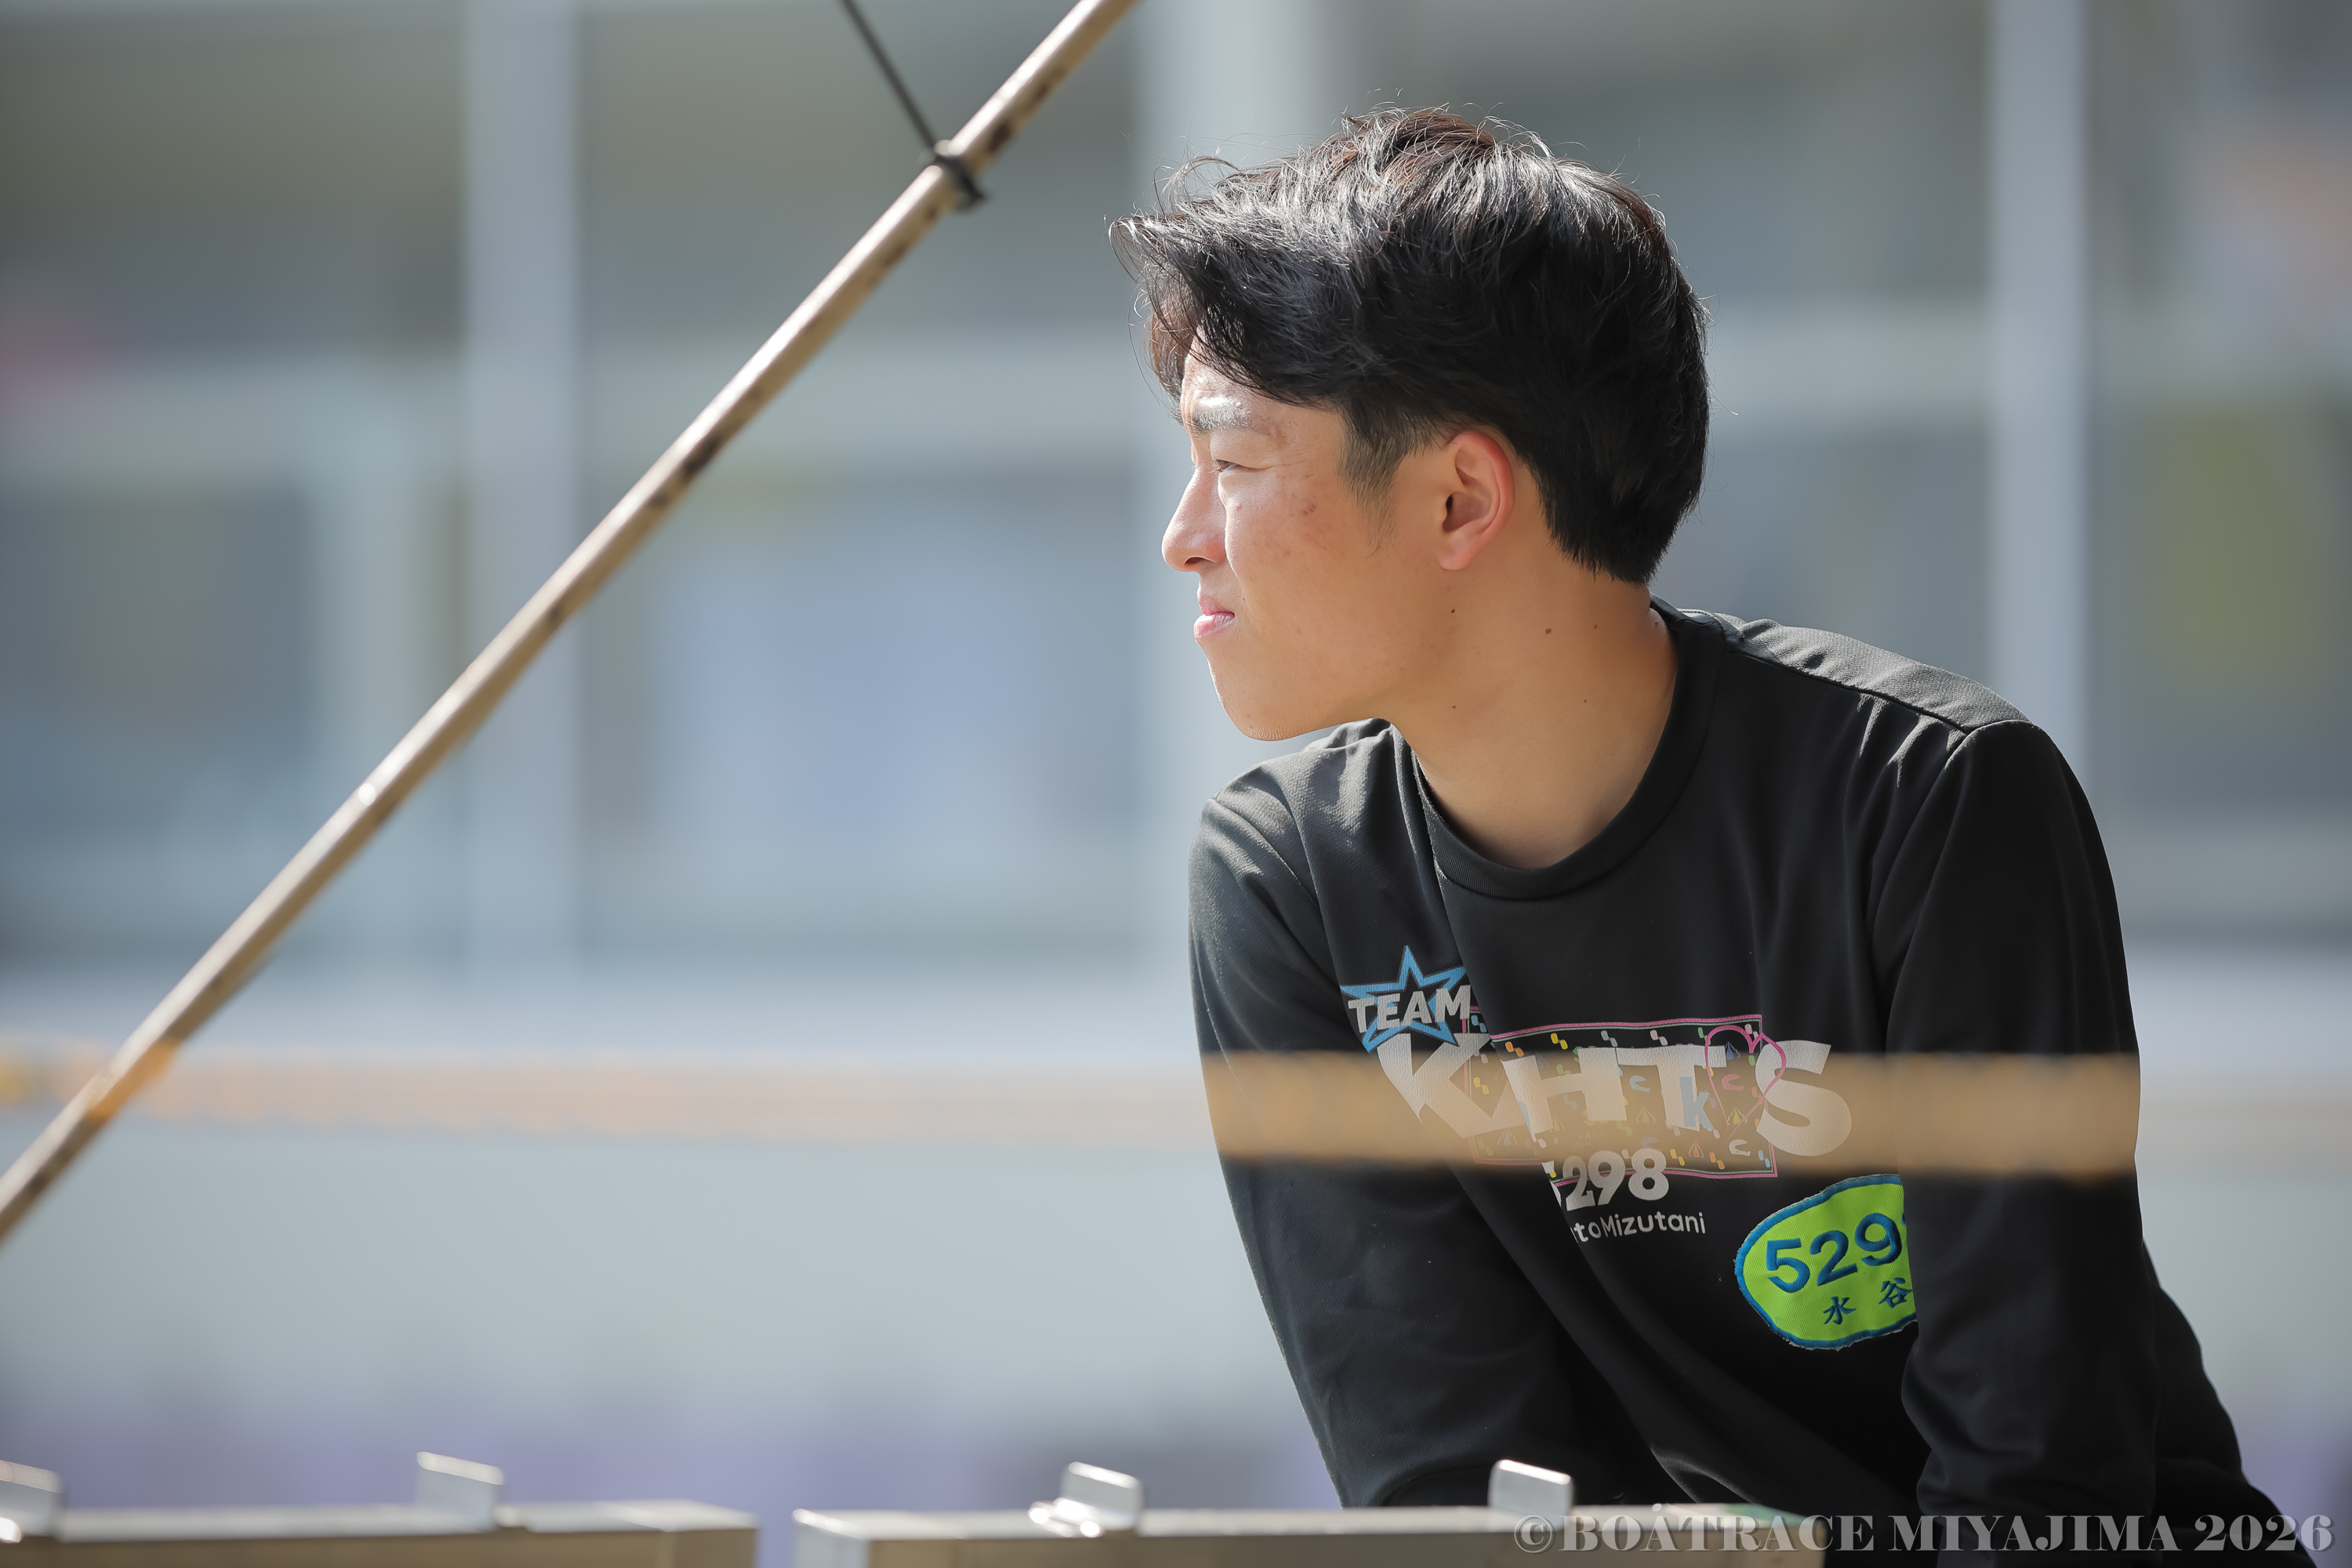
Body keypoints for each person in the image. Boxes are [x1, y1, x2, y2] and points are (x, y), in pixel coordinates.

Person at [1111, 109, 2297, 1560]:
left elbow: (2038, 1487)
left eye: (1232, 462)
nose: (1182, 533)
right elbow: (1463, 1501)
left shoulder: (1928, 801)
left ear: (1461, 499)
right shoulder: (1290, 884)